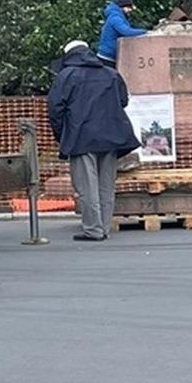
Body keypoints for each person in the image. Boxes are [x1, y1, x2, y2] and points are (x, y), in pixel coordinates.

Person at [48, 40, 139, 241]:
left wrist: (62, 136)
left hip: (81, 138)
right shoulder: (111, 74)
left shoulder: (66, 76)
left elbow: (56, 110)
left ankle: (93, 230)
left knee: (86, 187)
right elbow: (123, 101)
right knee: (106, 186)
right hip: (111, 136)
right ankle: (104, 228)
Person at [97, 0, 146, 68]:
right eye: (129, 8)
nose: (130, 10)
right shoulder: (115, 18)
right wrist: (145, 32)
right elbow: (126, 31)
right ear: (123, 6)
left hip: (110, 55)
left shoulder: (117, 16)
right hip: (107, 57)